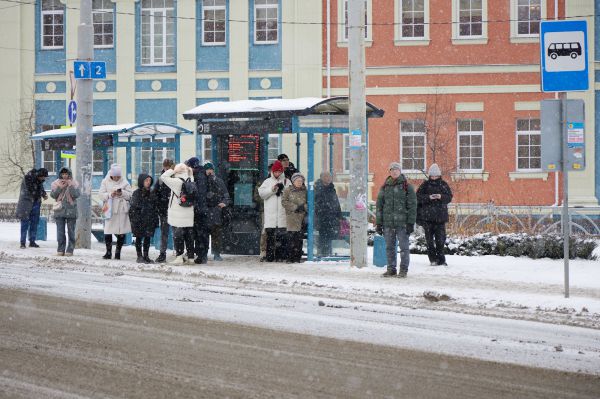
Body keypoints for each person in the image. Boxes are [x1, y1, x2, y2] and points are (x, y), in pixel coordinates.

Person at [375, 162, 417, 278]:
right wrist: (379, 223)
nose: (394, 171)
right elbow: (379, 206)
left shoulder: (407, 186)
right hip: (388, 223)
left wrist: (410, 223)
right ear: (389, 172)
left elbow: (412, 206)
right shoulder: (385, 187)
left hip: (402, 223)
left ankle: (403, 270)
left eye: (397, 169)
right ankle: (391, 269)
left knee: (404, 248)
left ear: (400, 171)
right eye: (392, 169)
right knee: (389, 247)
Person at [416, 163, 453, 266]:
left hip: (440, 218)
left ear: (439, 175)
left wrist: (440, 196)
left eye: (436, 175)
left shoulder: (444, 184)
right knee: (429, 241)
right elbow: (418, 197)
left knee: (440, 241)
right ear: (429, 176)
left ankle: (441, 260)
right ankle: (433, 259)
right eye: (432, 175)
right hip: (427, 218)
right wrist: (429, 197)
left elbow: (449, 197)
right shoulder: (425, 185)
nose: (434, 177)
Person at [161, 163, 195, 264]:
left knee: (178, 235)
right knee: (189, 235)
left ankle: (179, 257)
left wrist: (173, 171)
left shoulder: (176, 181)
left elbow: (163, 177)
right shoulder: (190, 180)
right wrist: (189, 172)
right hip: (189, 212)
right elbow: (191, 176)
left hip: (178, 213)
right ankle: (191, 258)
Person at [258, 160, 290, 262]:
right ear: (272, 171)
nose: (277, 174)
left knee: (282, 237)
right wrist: (272, 190)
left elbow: (290, 195)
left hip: (282, 215)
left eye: (279, 172)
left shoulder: (286, 181)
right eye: (276, 172)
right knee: (270, 238)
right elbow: (262, 194)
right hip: (271, 216)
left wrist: (283, 189)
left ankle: (281, 257)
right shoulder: (267, 182)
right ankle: (270, 256)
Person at [99, 164, 132, 260]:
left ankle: (118, 252)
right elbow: (100, 195)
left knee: (121, 231)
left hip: (121, 209)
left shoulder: (125, 182)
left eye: (118, 176)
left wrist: (122, 193)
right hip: (110, 209)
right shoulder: (105, 181)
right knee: (108, 231)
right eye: (115, 176)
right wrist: (110, 194)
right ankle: (108, 252)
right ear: (111, 175)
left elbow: (130, 195)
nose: (117, 178)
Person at [50, 167, 80, 256]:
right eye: (63, 174)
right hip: (59, 210)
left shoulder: (74, 183)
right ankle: (60, 249)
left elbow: (76, 195)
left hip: (71, 210)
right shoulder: (56, 183)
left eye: (66, 174)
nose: (64, 176)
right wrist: (60, 187)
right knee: (60, 232)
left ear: (69, 174)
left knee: (71, 231)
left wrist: (70, 186)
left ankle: (70, 250)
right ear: (60, 174)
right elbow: (53, 195)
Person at [130, 173, 159, 264]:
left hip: (149, 220)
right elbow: (134, 207)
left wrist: (155, 219)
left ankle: (146, 256)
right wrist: (137, 218)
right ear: (141, 181)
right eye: (146, 181)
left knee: (147, 238)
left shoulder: (152, 193)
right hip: (139, 220)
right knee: (139, 238)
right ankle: (139, 256)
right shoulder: (137, 193)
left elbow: (155, 207)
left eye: (149, 181)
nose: (148, 182)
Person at [16, 168, 48, 249]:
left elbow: (40, 188)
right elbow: (32, 190)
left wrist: (44, 194)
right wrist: (40, 194)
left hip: (36, 203)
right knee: (25, 223)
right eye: (43, 177)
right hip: (26, 203)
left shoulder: (39, 180)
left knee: (34, 223)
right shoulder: (28, 178)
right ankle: (22, 242)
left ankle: (32, 241)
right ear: (39, 175)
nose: (44, 179)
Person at [204, 162, 230, 261]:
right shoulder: (203, 182)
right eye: (207, 170)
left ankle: (216, 253)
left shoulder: (219, 181)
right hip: (206, 210)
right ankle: (204, 253)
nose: (209, 171)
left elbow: (226, 196)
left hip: (216, 211)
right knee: (204, 234)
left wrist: (224, 203)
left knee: (216, 233)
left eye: (210, 169)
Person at [314, 171, 342, 257]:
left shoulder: (331, 188)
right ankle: (322, 253)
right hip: (321, 217)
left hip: (331, 218)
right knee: (322, 236)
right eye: (326, 176)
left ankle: (327, 252)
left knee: (329, 235)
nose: (329, 178)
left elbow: (336, 202)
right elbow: (316, 203)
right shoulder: (317, 188)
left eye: (330, 177)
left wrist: (339, 215)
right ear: (321, 177)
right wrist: (323, 209)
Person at [187, 157, 208, 264]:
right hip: (202, 209)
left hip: (199, 209)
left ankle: (201, 255)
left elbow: (198, 194)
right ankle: (202, 254)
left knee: (199, 233)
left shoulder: (198, 177)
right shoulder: (202, 174)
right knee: (201, 233)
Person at [282, 173, 307, 263]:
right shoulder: (288, 190)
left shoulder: (305, 190)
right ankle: (289, 257)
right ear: (293, 182)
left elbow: (310, 202)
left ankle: (297, 257)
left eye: (301, 181)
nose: (300, 183)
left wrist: (304, 207)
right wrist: (295, 207)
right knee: (291, 237)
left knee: (299, 238)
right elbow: (284, 202)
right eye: (298, 181)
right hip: (291, 217)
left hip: (302, 217)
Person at [153, 158, 175, 263]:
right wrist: (159, 203)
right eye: (165, 167)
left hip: (174, 210)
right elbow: (155, 193)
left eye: (168, 167)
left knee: (177, 233)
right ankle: (162, 254)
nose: (166, 169)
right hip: (165, 210)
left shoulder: (176, 177)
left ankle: (179, 253)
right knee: (164, 233)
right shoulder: (161, 179)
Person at [254, 163, 272, 261]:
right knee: (265, 231)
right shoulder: (263, 182)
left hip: (276, 211)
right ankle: (263, 252)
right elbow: (257, 196)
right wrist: (268, 199)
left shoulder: (282, 181)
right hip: (265, 210)